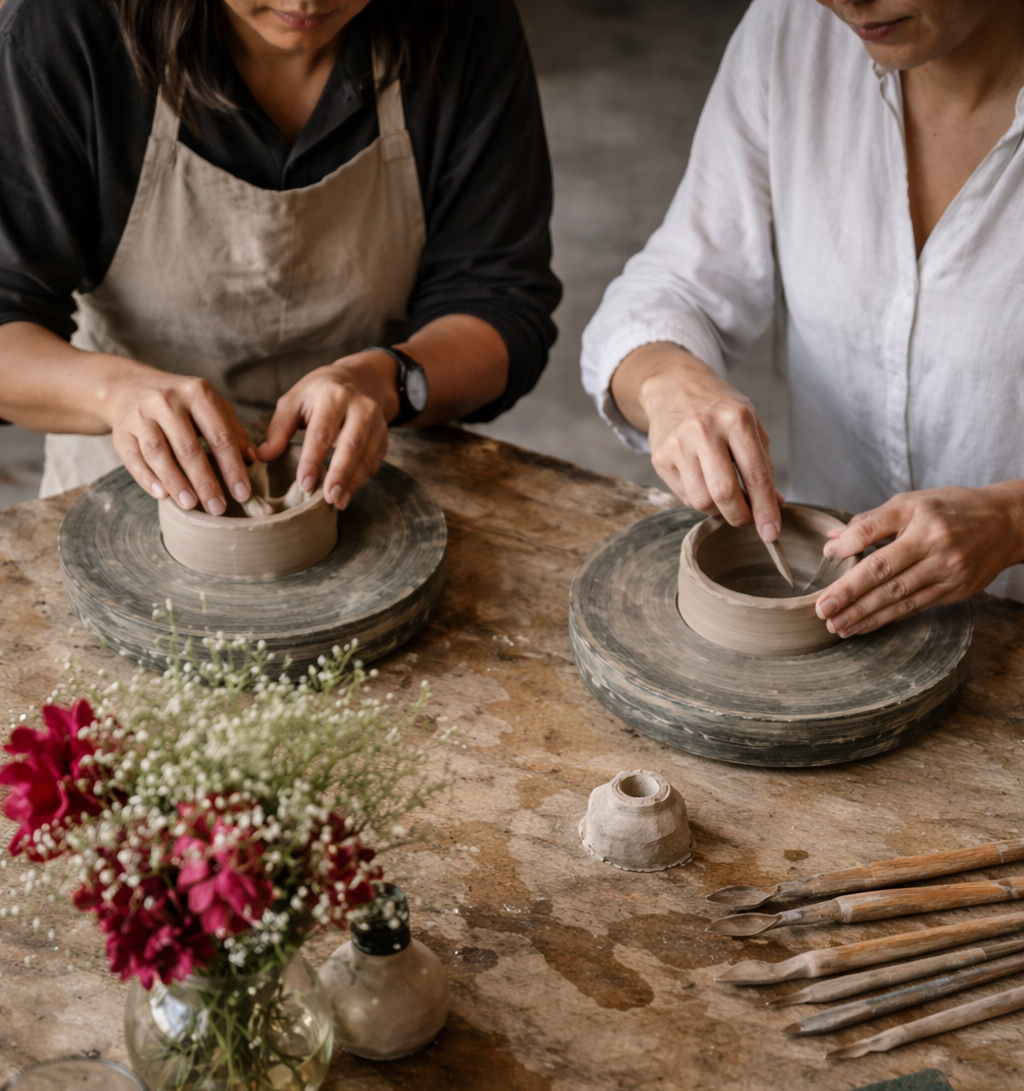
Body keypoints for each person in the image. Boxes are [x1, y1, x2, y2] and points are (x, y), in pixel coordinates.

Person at [0, 0, 560, 515]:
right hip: (126, 490)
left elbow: (498, 302)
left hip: (375, 483)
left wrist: (383, 380)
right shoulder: (68, 26)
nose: (306, 1)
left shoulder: (462, 19)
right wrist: (116, 394)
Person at [582, 0, 1024, 638]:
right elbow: (677, 282)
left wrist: (1012, 522)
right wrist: (667, 382)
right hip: (839, 629)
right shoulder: (792, 29)